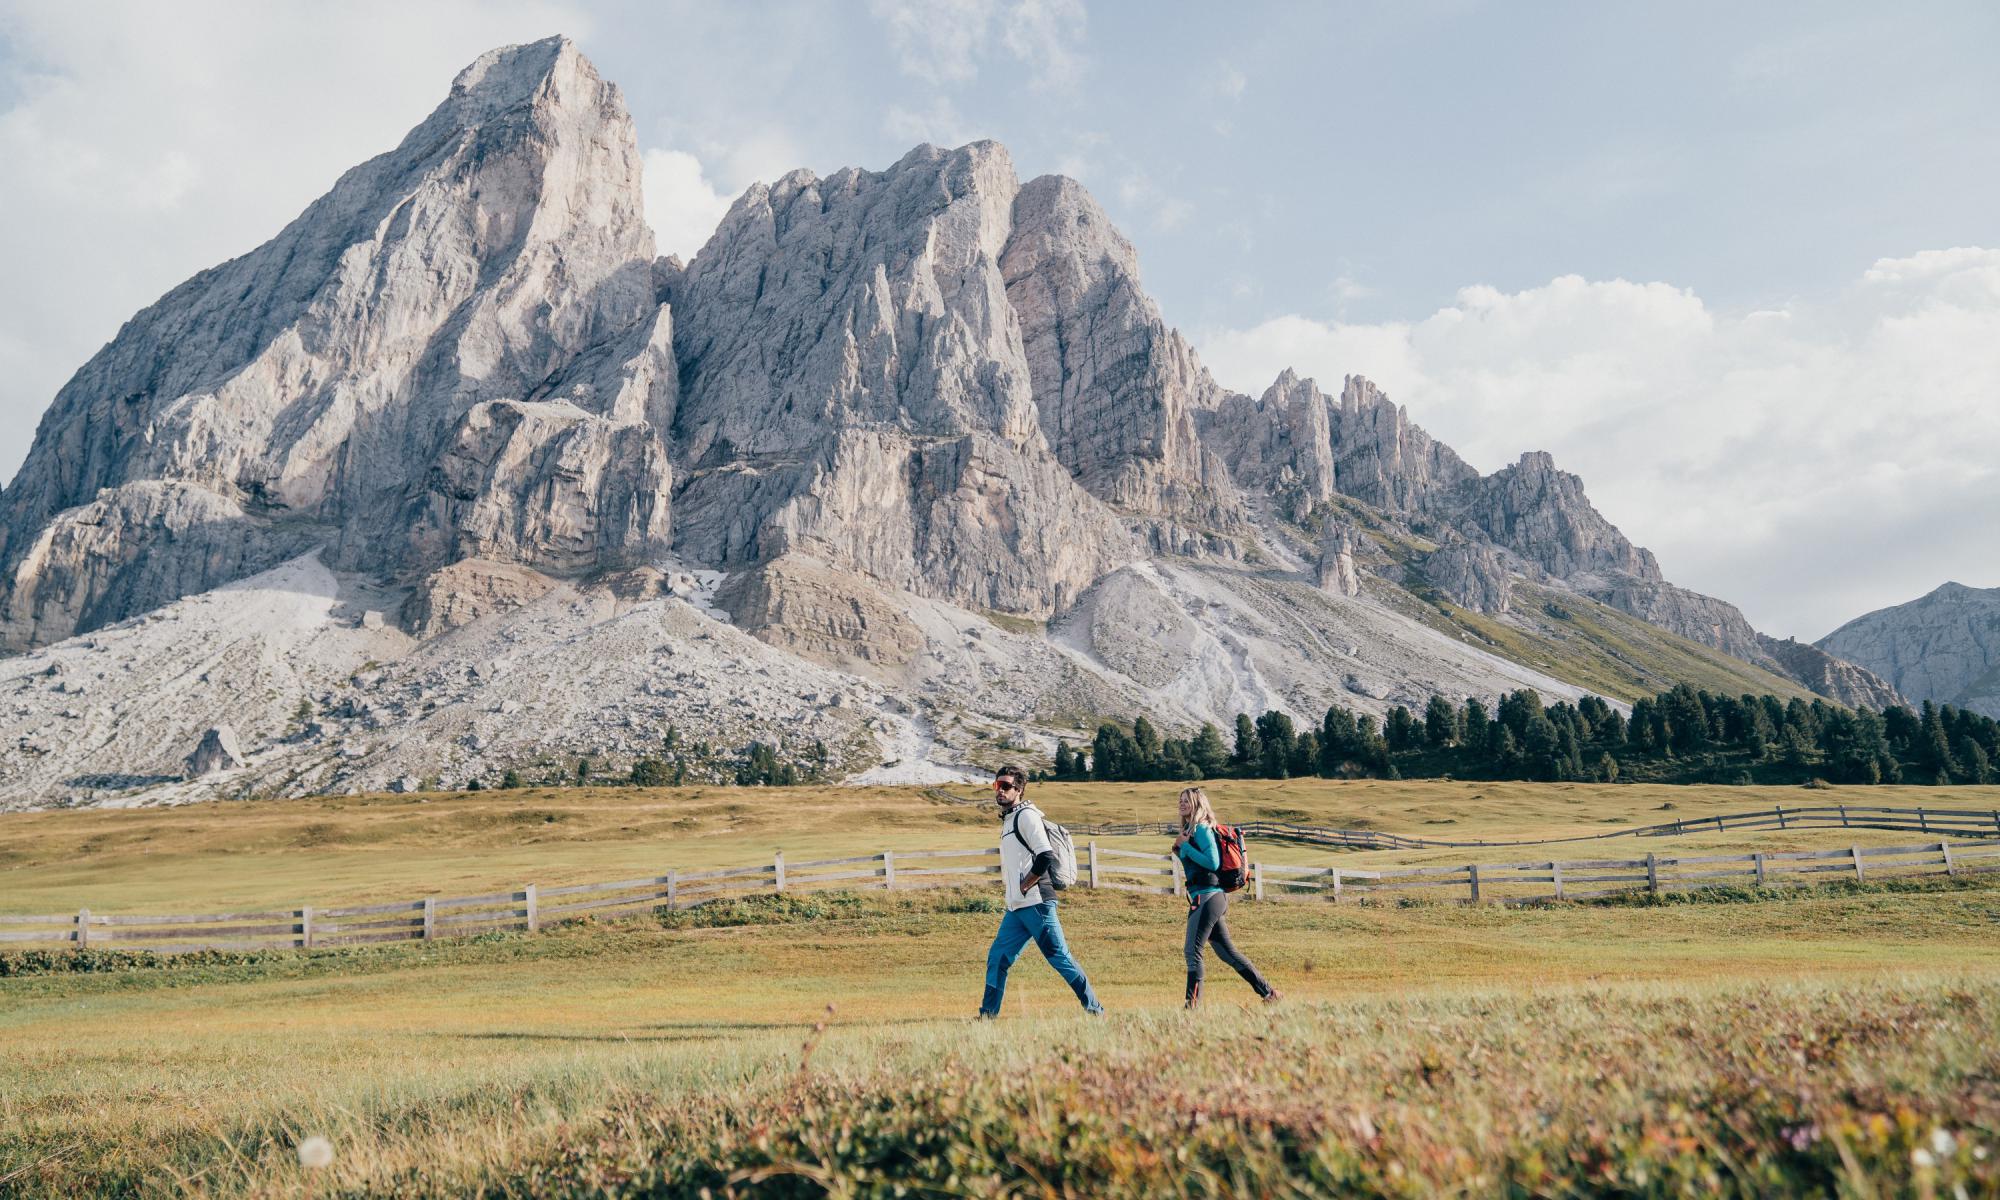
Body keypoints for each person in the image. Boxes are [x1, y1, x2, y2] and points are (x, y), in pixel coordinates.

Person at [978, 764, 1103, 1018]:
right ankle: (987, 1016)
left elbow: (1045, 855)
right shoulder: (1010, 818)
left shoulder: (1027, 816)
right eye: (996, 785)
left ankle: (1095, 1010)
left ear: (1020, 790)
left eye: (1006, 786)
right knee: (997, 958)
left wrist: (1027, 883)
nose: (1000, 791)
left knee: (1059, 958)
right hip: (1017, 908)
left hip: (1037, 904)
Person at [1172, 786, 1279, 1008]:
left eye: (1187, 801)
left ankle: (1191, 1008)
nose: (1182, 804)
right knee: (1228, 953)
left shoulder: (1201, 829)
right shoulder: (1191, 830)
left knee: (1192, 951)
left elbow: (1213, 863)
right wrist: (1180, 847)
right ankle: (1269, 994)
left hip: (1208, 898)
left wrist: (1185, 847)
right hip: (1207, 898)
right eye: (1180, 800)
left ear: (1198, 804)